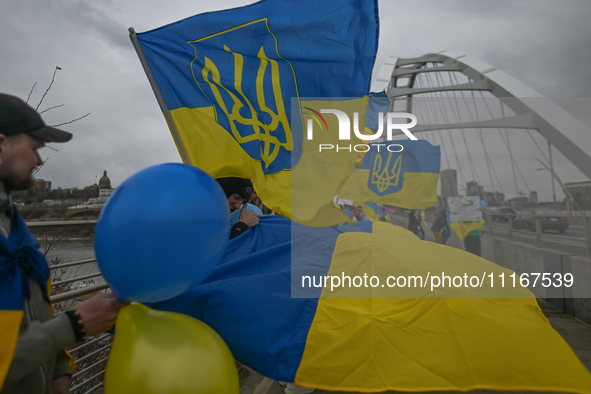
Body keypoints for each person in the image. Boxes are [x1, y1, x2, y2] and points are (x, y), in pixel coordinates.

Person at [0, 93, 127, 394]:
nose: (40, 160)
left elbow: (31, 309)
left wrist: (58, 369)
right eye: (34, 148)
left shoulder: (12, 224)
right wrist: (75, 324)